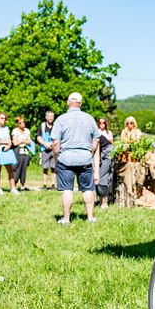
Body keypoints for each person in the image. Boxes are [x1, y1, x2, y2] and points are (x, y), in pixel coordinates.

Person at [52, 92, 101, 225]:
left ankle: (66, 219)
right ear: (81, 103)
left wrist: (57, 156)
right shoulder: (89, 118)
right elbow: (96, 139)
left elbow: (56, 143)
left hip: (66, 158)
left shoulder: (61, 119)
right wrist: (89, 152)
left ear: (68, 102)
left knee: (67, 189)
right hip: (85, 158)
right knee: (87, 188)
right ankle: (90, 217)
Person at [0, 112, 18, 195]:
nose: (3, 120)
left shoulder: (6, 128)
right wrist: (3, 142)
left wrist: (8, 145)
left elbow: (9, 140)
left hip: (7, 149)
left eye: (5, 118)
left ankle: (13, 188)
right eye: (2, 118)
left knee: (10, 169)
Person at [94, 117, 114, 210]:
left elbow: (96, 152)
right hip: (101, 152)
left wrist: (96, 169)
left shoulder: (95, 134)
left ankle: (104, 202)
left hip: (108, 152)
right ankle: (100, 200)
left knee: (102, 176)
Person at [36, 110, 57, 190]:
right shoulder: (42, 126)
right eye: (49, 116)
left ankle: (53, 184)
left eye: (52, 116)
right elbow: (38, 137)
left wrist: (51, 144)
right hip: (44, 149)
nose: (51, 118)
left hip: (54, 149)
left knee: (53, 167)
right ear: (46, 117)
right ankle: (44, 184)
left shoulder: (56, 126)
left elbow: (58, 137)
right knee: (45, 167)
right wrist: (45, 144)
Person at [11, 116, 32, 191]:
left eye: (23, 122)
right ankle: (14, 184)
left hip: (25, 151)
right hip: (18, 150)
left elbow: (29, 141)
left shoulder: (27, 130)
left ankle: (23, 185)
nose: (22, 124)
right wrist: (24, 140)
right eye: (20, 122)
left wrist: (21, 141)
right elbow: (15, 142)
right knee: (17, 168)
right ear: (17, 124)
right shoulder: (15, 131)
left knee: (24, 168)